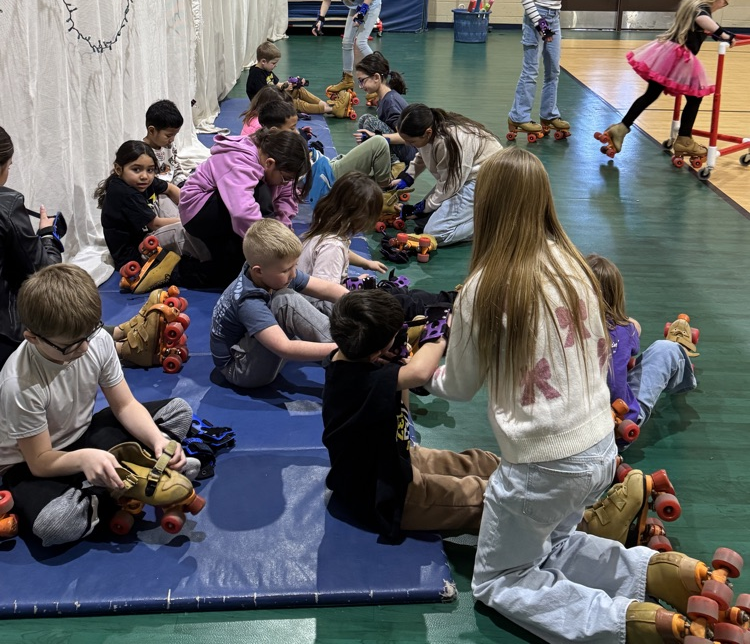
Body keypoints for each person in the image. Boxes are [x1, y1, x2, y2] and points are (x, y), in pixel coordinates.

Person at [425, 147, 721, 644]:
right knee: (554, 542)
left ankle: (632, 623)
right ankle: (659, 573)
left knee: (500, 580)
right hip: (600, 447)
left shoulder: (484, 285)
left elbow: (458, 385)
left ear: (487, 205)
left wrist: (422, 370)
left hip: (543, 464)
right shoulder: (575, 265)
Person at [0, 264, 195, 547]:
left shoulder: (96, 339)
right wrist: (85, 459)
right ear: (33, 338)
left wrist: (157, 440)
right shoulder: (19, 383)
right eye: (69, 346)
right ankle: (122, 486)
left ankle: (118, 479)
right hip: (30, 463)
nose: (83, 349)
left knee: (178, 411)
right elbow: (40, 461)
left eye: (88, 335)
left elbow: (125, 405)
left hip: (82, 436)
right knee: (54, 525)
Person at [322, 289, 500, 541]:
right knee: (490, 498)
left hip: (393, 457)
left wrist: (396, 358)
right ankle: (548, 510)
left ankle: (529, 478)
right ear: (377, 351)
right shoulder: (362, 381)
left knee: (482, 463)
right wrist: (439, 332)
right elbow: (420, 373)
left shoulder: (350, 362)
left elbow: (403, 412)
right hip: (384, 495)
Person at [599, 0, 736, 160]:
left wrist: (718, 34)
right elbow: (703, 20)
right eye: (725, 2)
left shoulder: (692, 5)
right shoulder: (700, 9)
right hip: (678, 57)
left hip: (668, 54)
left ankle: (621, 128)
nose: (723, 5)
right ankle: (684, 139)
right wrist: (724, 34)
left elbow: (705, 27)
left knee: (651, 94)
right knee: (695, 97)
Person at [210, 219, 346, 388]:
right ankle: (350, 351)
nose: (294, 274)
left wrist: (358, 301)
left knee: (320, 299)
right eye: (286, 270)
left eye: (295, 265)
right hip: (240, 369)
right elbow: (284, 348)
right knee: (286, 300)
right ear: (258, 271)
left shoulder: (267, 270)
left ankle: (349, 337)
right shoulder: (248, 301)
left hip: (254, 347)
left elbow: (326, 288)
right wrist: (343, 349)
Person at [179, 129, 310, 288]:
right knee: (261, 192)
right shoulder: (239, 159)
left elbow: (285, 200)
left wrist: (285, 232)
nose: (286, 183)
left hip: (228, 214)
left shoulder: (278, 167)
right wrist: (272, 245)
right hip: (197, 211)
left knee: (237, 274)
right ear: (269, 163)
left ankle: (179, 271)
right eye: (285, 178)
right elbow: (242, 211)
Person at [586, 253, 697, 430]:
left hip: (576, 429)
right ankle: (682, 382)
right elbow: (634, 340)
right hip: (621, 425)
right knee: (667, 349)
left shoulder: (564, 331)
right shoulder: (624, 329)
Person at [393, 104, 502, 246]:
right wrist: (407, 177)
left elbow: (449, 186)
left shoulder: (449, 141)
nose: (407, 144)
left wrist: (421, 207)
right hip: (463, 178)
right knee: (421, 221)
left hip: (487, 179)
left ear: (427, 132)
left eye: (411, 141)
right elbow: (423, 152)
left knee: (435, 233)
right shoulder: (431, 129)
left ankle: (494, 223)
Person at [0, 127, 63, 370]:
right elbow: (46, 272)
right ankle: (118, 343)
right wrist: (47, 235)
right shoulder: (8, 205)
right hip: (8, 337)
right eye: (9, 166)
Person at [508, 0, 576, 139]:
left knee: (553, 70)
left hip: (553, 17)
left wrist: (551, 24)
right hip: (536, 19)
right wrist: (543, 27)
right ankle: (518, 116)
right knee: (531, 71)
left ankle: (549, 114)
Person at [95, 141, 187, 272]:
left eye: (150, 170)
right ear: (118, 169)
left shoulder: (141, 181)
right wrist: (190, 220)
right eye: (136, 169)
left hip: (147, 237)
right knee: (184, 230)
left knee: (164, 195)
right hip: (136, 256)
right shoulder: (124, 192)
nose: (144, 176)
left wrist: (192, 208)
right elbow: (155, 224)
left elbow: (170, 188)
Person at [312, 0, 382, 99]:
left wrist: (362, 12)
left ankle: (380, 76)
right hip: (355, 7)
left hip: (370, 5)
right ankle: (348, 79)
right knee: (346, 42)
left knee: (361, 42)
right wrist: (320, 19)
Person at [299, 172, 388, 289]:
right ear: (360, 216)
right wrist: (353, 287)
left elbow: (344, 252)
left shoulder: (326, 232)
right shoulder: (332, 247)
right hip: (316, 300)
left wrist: (367, 263)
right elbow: (324, 293)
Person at [353, 52, 416, 169]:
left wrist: (376, 137)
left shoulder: (390, 102)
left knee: (370, 122)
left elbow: (405, 137)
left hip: (408, 153)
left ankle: (396, 165)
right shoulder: (384, 98)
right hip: (404, 150)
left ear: (376, 77)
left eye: (362, 81)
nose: (361, 86)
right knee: (364, 119)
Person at [245, 40, 333, 115]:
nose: (275, 65)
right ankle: (328, 109)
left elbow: (277, 84)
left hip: (274, 98)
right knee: (295, 103)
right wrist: (283, 89)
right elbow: (266, 95)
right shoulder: (256, 75)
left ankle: (323, 104)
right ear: (263, 61)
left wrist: (291, 84)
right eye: (273, 63)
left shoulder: (266, 69)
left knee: (299, 90)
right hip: (265, 104)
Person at [143, 99, 188, 190]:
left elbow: (176, 169)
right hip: (157, 192)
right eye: (168, 135)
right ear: (151, 130)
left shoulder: (169, 146)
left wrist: (184, 184)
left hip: (173, 189)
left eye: (175, 135)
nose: (172, 139)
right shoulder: (142, 153)